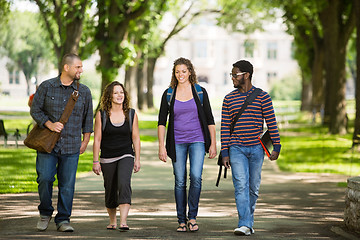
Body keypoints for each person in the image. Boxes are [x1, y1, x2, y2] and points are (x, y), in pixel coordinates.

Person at [30, 53, 93, 232]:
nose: (81, 70)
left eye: (81, 67)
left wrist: (85, 140)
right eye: (78, 67)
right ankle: (45, 213)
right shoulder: (46, 87)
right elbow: (35, 110)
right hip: (47, 145)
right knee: (45, 178)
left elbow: (88, 118)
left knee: (67, 185)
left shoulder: (85, 91)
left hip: (72, 145)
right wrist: (49, 124)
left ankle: (63, 220)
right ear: (67, 67)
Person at [220, 60, 281, 236]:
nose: (232, 78)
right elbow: (225, 127)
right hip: (236, 148)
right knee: (241, 185)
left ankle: (248, 222)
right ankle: (244, 223)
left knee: (253, 188)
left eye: (235, 75)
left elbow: (272, 124)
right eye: (231, 75)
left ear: (246, 75)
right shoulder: (228, 99)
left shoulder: (263, 97)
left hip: (256, 149)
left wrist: (276, 147)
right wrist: (225, 152)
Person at [158, 57, 217, 232]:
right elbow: (162, 122)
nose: (180, 74)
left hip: (197, 139)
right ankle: (181, 220)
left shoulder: (200, 92)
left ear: (190, 72)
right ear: (174, 74)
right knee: (180, 181)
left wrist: (213, 143)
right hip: (177, 142)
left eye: (184, 71)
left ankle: (192, 217)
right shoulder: (169, 93)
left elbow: (210, 119)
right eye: (177, 72)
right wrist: (161, 146)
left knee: (196, 177)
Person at [92, 81, 141, 231]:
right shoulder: (102, 115)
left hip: (126, 155)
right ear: (109, 96)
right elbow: (98, 139)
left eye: (121, 92)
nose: (119, 95)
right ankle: (112, 221)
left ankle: (123, 221)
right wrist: (95, 161)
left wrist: (137, 158)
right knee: (110, 188)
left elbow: (136, 138)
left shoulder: (131, 114)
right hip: (107, 157)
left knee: (123, 183)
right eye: (115, 93)